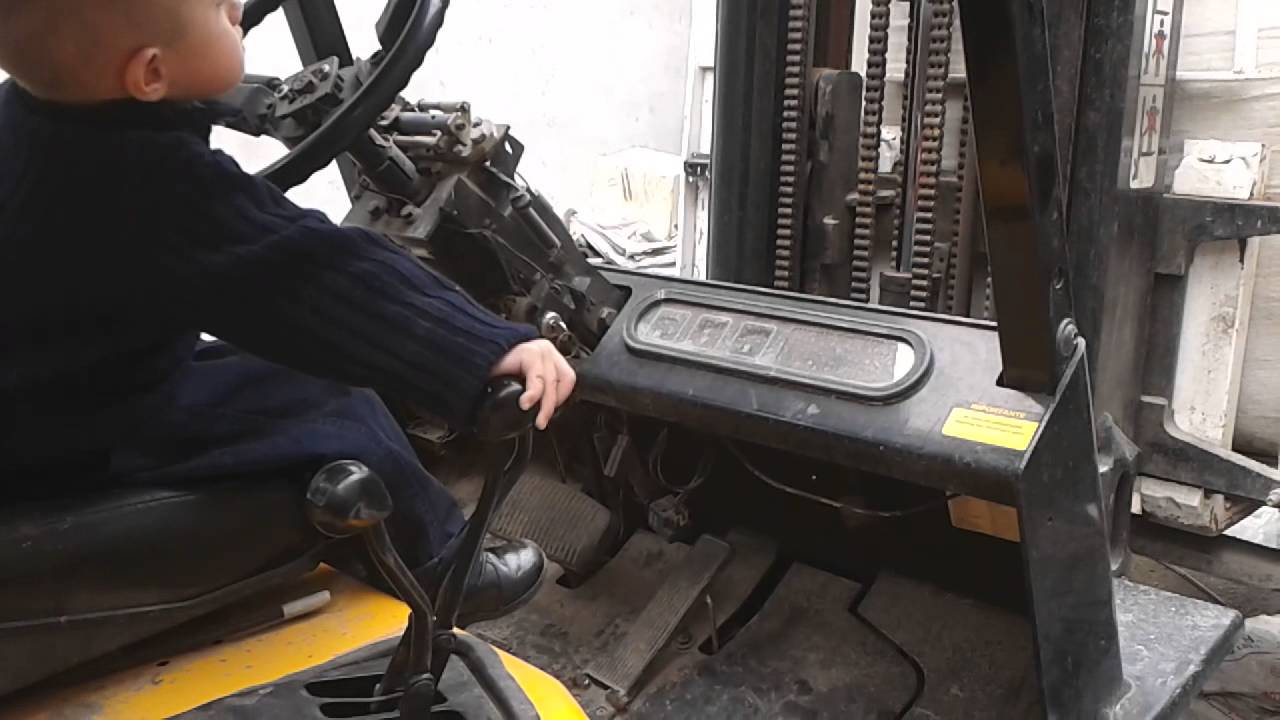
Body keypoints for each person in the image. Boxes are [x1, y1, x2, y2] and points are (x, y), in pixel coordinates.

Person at [0, 0, 575, 624]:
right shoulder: (157, 187)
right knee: (333, 402)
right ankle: (441, 567)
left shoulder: (32, 118)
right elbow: (314, 275)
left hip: (42, 380)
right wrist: (481, 345)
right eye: (222, 12)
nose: (240, 8)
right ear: (150, 77)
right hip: (83, 426)